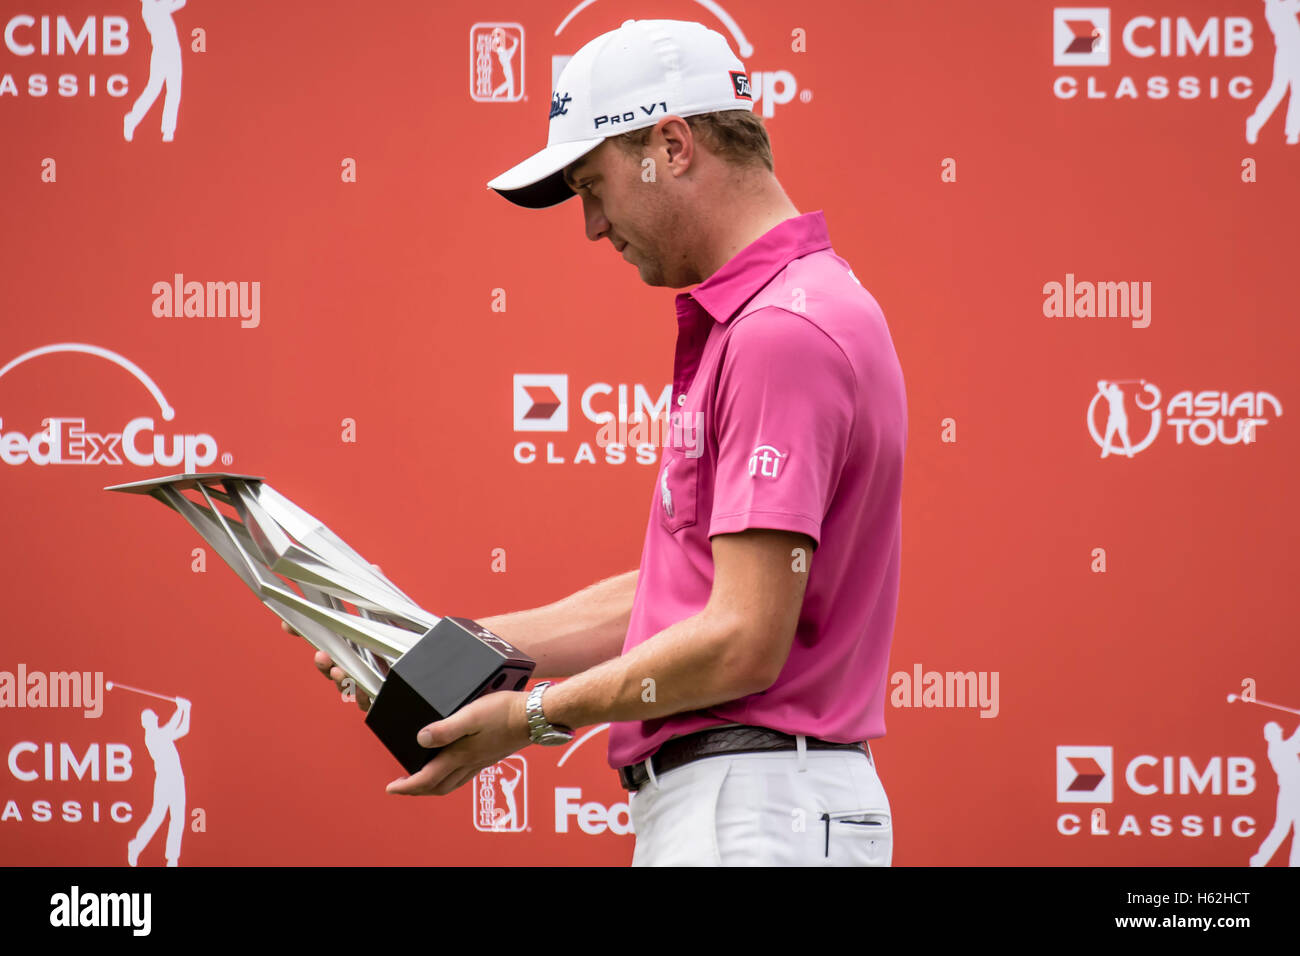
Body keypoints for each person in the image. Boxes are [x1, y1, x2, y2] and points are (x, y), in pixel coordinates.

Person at [310, 18, 907, 866]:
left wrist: (533, 716)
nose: (591, 225)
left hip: (753, 813)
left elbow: (742, 636)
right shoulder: (789, 312)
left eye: (593, 185)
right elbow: (690, 595)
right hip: (754, 808)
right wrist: (432, 649)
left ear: (671, 144)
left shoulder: (782, 329)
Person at [127, 696, 190, 867]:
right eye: (150, 719)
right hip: (164, 780)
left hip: (177, 778)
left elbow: (184, 729)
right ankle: (136, 846)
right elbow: (172, 726)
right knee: (157, 816)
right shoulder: (153, 736)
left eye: (153, 718)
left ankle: (172, 858)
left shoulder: (163, 734)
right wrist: (180, 708)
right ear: (146, 723)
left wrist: (187, 709)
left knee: (178, 817)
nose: (154, 720)